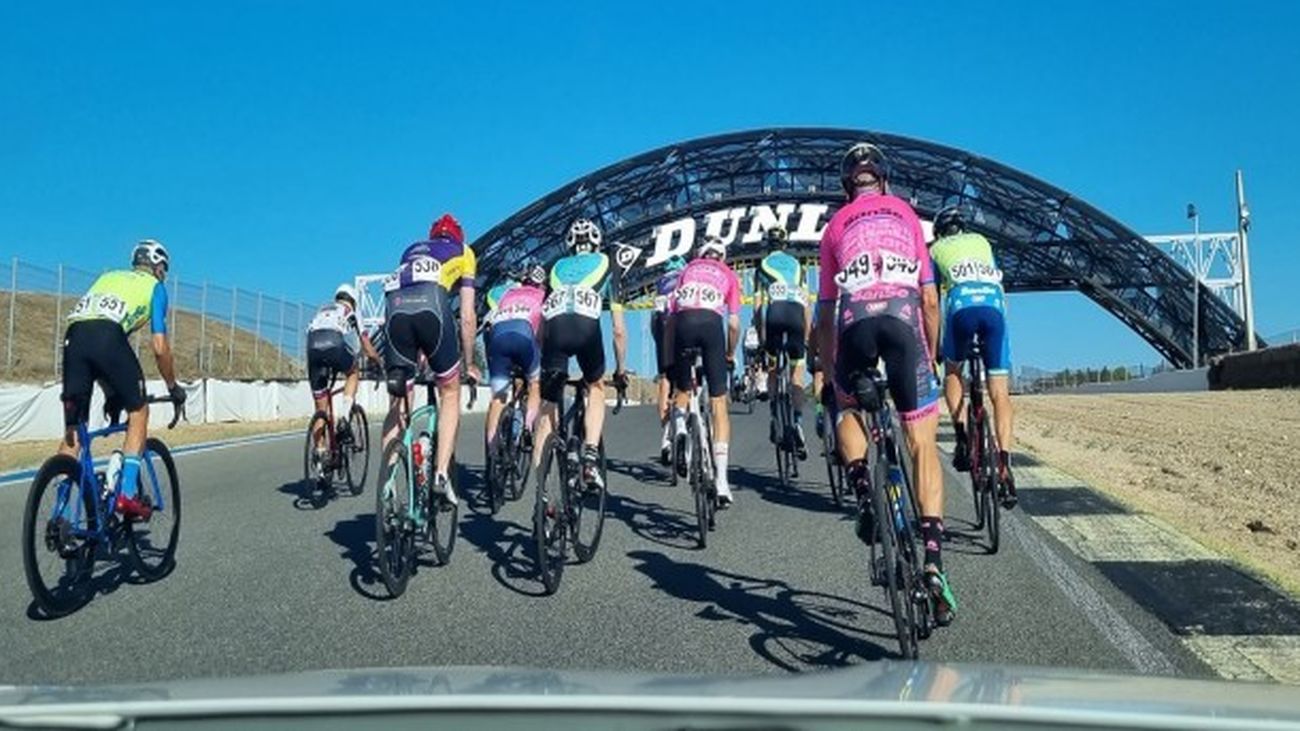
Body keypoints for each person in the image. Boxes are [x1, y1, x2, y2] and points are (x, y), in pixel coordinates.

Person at [816, 142, 956, 624]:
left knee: (847, 406)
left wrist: (828, 374)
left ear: (846, 186)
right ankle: (934, 563)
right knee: (921, 443)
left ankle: (862, 490)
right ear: (884, 180)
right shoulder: (906, 215)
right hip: (903, 324)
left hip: (856, 325)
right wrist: (932, 357)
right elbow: (930, 300)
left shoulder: (834, 227)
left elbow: (826, 314)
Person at [60, 240, 185, 518]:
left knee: (74, 431)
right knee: (139, 411)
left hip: (74, 338)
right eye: (164, 268)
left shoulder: (107, 277)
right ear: (157, 266)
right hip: (108, 339)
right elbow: (159, 347)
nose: (164, 273)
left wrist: (111, 391)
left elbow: (93, 329)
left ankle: (60, 515)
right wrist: (173, 387)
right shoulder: (155, 287)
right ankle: (126, 495)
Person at [380, 213, 480, 507]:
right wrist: (469, 362)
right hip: (433, 308)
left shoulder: (410, 250)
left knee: (398, 402)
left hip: (395, 310)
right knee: (449, 392)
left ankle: (387, 485)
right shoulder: (464, 252)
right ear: (458, 237)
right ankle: (439, 475)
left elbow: (409, 302)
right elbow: (468, 317)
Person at [928, 205, 1017, 506]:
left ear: (939, 231)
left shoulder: (935, 249)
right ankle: (1005, 465)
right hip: (994, 309)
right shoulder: (982, 242)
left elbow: (931, 298)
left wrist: (935, 346)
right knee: (1000, 394)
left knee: (953, 371)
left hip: (960, 309)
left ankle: (962, 436)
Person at [532, 218, 628, 492]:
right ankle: (589, 457)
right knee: (595, 386)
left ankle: (542, 496)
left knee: (548, 407)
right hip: (586, 328)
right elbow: (619, 330)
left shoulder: (556, 268)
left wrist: (539, 363)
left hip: (555, 331)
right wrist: (621, 370)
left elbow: (540, 325)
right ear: (596, 243)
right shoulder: (608, 262)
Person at [668, 234, 742, 507]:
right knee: (718, 403)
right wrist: (730, 354)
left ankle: (679, 428)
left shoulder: (686, 270)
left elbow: (672, 317)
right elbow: (733, 324)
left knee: (683, 389)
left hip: (684, 323)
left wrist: (670, 358)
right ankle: (721, 481)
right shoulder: (729, 274)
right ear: (722, 257)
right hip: (711, 326)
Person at [305, 283, 382, 467]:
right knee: (353, 372)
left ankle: (321, 459)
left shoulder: (322, 309)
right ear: (353, 300)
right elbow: (365, 342)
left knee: (321, 408)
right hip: (334, 343)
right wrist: (377, 360)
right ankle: (345, 418)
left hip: (313, 349)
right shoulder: (350, 310)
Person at [752, 225, 812, 459]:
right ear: (785, 245)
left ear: (768, 245)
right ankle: (797, 423)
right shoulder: (799, 267)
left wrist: (761, 336)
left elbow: (757, 307)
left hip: (775, 316)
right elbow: (807, 306)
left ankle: (775, 415)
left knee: (774, 369)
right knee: (796, 374)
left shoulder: (762, 267)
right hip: (796, 316)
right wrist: (808, 337)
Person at [484, 262, 546, 462]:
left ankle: (492, 454)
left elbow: (490, 327)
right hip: (524, 340)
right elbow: (540, 336)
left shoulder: (507, 295)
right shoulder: (541, 297)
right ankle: (527, 429)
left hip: (498, 340)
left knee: (498, 398)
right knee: (535, 385)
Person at [651, 255, 687, 465]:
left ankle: (665, 437)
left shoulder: (660, 282)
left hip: (660, 323)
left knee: (665, 376)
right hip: (680, 321)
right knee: (688, 377)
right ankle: (684, 419)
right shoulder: (686, 276)